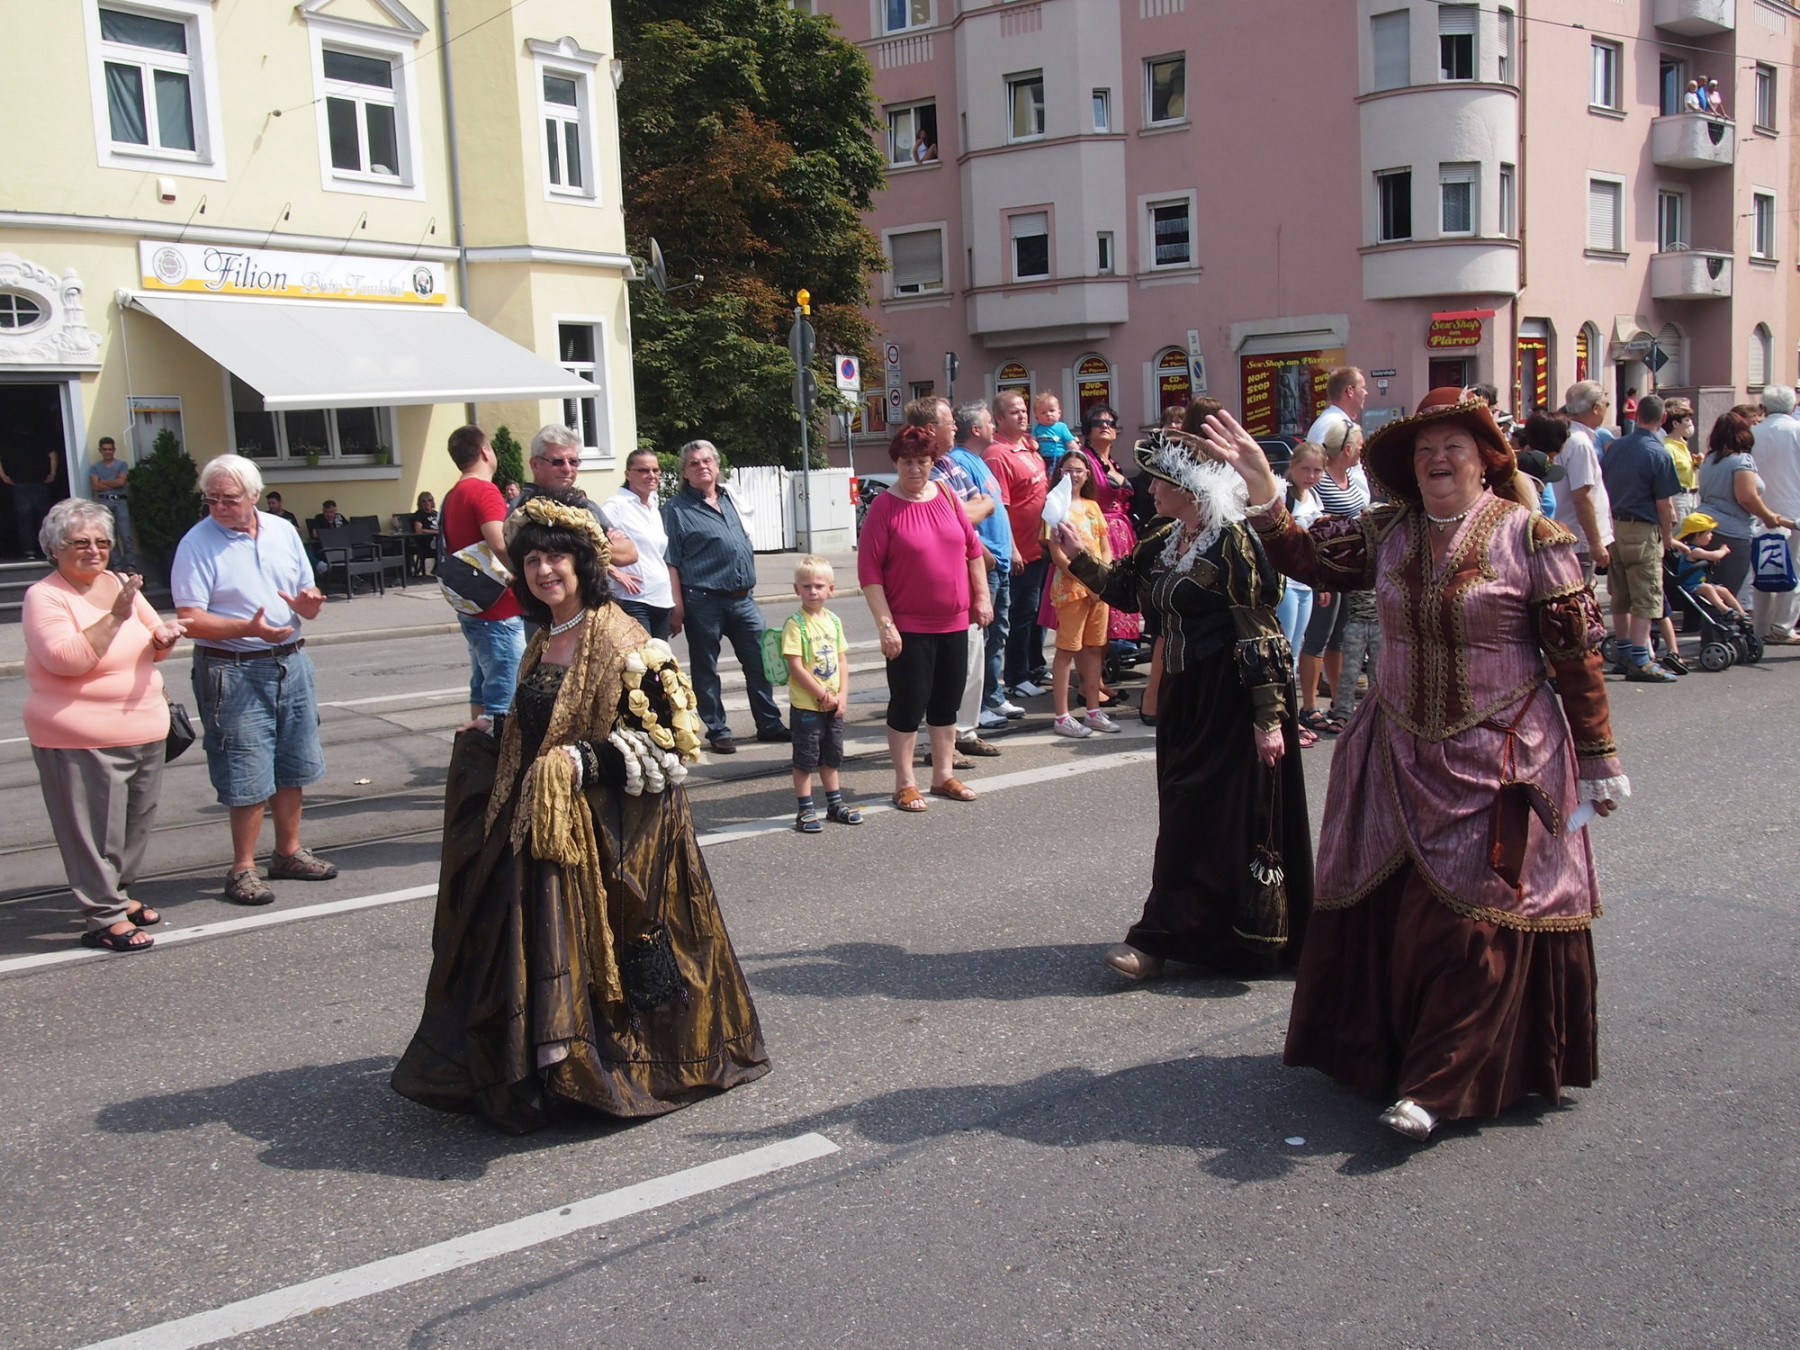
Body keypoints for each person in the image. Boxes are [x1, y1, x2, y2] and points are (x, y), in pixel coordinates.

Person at [1203, 388, 1627, 1141]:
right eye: (1425, 448)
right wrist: (1266, 491)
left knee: (1474, 920)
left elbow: (1577, 658)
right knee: (1393, 907)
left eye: (1454, 446)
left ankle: (1441, 1082)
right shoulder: (1388, 530)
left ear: (1485, 459)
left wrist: (1596, 754)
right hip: (1394, 749)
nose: (1438, 458)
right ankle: (1385, 1056)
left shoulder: (1533, 539)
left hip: (1501, 756)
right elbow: (1308, 558)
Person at [391, 489, 770, 1133]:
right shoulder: (546, 636)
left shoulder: (628, 639)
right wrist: (497, 727)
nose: (544, 570)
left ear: (582, 564)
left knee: (621, 953)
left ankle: (601, 1060)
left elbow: (673, 744)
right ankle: (547, 1062)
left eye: (556, 558)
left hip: (615, 833)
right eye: (532, 559)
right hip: (548, 823)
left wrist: (582, 764)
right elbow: (547, 715)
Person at [1053, 431, 1311, 981]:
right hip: (1184, 692)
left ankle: (1164, 937)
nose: (1149, 491)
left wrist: (1269, 721)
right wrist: (1078, 557)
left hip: (1233, 694)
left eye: (1159, 483)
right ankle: (1191, 929)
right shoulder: (1166, 537)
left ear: (1187, 489)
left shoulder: (1234, 543)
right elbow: (1127, 590)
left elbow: (1259, 632)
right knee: (1185, 808)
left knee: (1219, 814)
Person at [172, 454, 335, 906]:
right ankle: (242, 867)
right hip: (233, 666)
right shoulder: (197, 543)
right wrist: (248, 628)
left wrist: (310, 603)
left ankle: (287, 852)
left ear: (254, 496)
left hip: (290, 660)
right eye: (212, 499)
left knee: (293, 760)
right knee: (245, 767)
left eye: (229, 498)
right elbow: (189, 619)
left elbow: (308, 603)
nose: (220, 507)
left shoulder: (282, 530)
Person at [23, 499, 184, 951]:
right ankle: (103, 916)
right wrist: (116, 614)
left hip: (144, 726)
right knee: (92, 832)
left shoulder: (117, 582)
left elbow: (152, 641)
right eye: (81, 542)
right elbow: (66, 659)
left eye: (102, 542)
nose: (94, 551)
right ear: (55, 548)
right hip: (78, 735)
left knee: (134, 825)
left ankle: (118, 894)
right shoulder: (45, 596)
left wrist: (165, 636)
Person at [858, 424, 992, 813]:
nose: (915, 469)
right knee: (908, 704)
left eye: (922, 461)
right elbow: (870, 572)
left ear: (933, 462)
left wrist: (981, 597)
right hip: (909, 626)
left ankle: (943, 775)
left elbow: (972, 549)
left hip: (954, 621)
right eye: (907, 462)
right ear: (896, 463)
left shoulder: (947, 494)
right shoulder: (885, 506)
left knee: (946, 702)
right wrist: (886, 625)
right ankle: (905, 783)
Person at [662, 439, 789, 754]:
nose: (702, 466)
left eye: (707, 461)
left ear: (717, 466)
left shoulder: (731, 498)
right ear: (685, 473)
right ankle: (718, 730)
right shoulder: (676, 509)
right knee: (706, 669)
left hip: (743, 597)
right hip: (704, 600)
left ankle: (769, 724)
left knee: (760, 662)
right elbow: (671, 561)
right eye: (694, 463)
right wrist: (677, 605)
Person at [910, 396, 1001, 760]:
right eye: (949, 423)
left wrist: (966, 513)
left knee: (973, 657)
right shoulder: (926, 469)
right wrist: (967, 514)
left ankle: (964, 731)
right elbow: (949, 515)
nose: (955, 428)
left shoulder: (953, 465)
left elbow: (987, 501)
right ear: (931, 429)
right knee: (947, 667)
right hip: (946, 579)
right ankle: (940, 745)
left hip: (971, 574)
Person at [514, 425, 639, 635]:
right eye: (557, 461)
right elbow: (518, 559)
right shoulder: (524, 509)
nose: (567, 468)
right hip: (547, 617)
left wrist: (579, 541)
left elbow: (629, 553)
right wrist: (597, 539)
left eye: (573, 461)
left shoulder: (583, 504)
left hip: (593, 609)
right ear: (535, 464)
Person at [441, 425, 526, 728]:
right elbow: (499, 543)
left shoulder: (453, 494)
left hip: (472, 603)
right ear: (485, 451)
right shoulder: (484, 490)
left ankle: (475, 751)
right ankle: (494, 759)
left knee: (481, 684)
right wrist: (524, 575)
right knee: (503, 696)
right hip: (498, 607)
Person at [1297, 402, 1372, 735]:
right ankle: (1308, 704)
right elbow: (1315, 530)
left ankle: (1340, 703)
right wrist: (1321, 577)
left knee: (1338, 637)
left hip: (1348, 568)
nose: (1313, 475)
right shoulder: (1321, 484)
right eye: (1359, 444)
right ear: (1348, 447)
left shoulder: (1348, 478)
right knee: (1316, 637)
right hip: (1323, 569)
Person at [952, 401, 1024, 733]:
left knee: (998, 635)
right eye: (989, 422)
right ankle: (977, 707)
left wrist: (1011, 548)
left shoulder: (981, 463)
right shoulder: (957, 463)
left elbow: (998, 512)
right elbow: (960, 520)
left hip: (1001, 561)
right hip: (986, 563)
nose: (994, 427)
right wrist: (986, 555)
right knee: (979, 641)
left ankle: (993, 695)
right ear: (976, 429)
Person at [1600, 394, 1681, 681]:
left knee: (1620, 593)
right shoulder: (1658, 453)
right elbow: (1663, 504)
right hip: (1643, 528)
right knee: (1646, 596)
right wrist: (1668, 537)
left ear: (1636, 416)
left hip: (1614, 526)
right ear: (1662, 420)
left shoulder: (1614, 447)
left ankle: (1622, 651)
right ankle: (1640, 657)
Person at [781, 556, 860, 832]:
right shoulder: (796, 624)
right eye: (806, 586)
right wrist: (821, 693)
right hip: (807, 706)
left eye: (818, 586)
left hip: (833, 704)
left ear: (831, 589)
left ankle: (835, 804)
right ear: (796, 590)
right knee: (805, 759)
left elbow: (842, 662)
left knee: (831, 756)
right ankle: (805, 810)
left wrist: (843, 697)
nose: (813, 591)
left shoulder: (833, 621)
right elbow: (795, 665)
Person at [1042, 452, 1116, 738]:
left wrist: (1103, 578)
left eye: (1079, 470)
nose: (1074, 475)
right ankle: (1061, 715)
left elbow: (1104, 545)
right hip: (1071, 589)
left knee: (1095, 647)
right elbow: (1058, 555)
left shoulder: (1093, 507)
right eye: (1068, 470)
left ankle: (1094, 710)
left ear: (1088, 474)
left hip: (1098, 590)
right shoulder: (1054, 507)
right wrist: (1087, 582)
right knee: (1067, 650)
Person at [984, 390, 1051, 698]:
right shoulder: (997, 455)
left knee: (1034, 613)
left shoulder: (1028, 447)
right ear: (999, 419)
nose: (1022, 415)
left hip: (1039, 547)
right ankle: (1015, 677)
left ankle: (1032, 667)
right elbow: (1002, 507)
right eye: (1014, 412)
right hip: (1019, 551)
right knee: (1016, 617)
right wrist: (1012, 549)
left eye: (1024, 410)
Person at [1698, 410, 1793, 603]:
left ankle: (1712, 632)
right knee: (1728, 593)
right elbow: (1746, 497)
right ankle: (1723, 633)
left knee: (1712, 593)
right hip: (1733, 531)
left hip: (1706, 526)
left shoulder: (1710, 459)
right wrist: (1768, 516)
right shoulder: (1741, 460)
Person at [1075, 404, 1142, 656]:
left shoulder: (1112, 462)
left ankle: (1114, 657)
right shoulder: (1083, 460)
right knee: (1103, 594)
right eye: (1098, 423)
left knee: (1122, 588)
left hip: (1123, 534)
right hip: (1098, 533)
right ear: (1087, 431)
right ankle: (1098, 669)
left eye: (1110, 423)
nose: (1105, 426)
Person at [602, 447, 676, 638]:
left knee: (661, 663)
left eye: (655, 470)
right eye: (643, 470)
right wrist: (616, 572)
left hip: (661, 599)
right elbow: (589, 543)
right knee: (641, 662)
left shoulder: (652, 506)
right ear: (628, 474)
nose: (651, 475)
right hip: (634, 600)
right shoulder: (617, 505)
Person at [1750, 385, 1800, 643]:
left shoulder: (1753, 432)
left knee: (1762, 567)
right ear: (1793, 406)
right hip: (1793, 510)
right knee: (1793, 568)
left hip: (1759, 509)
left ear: (1764, 408)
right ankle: (1782, 626)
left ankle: (1761, 626)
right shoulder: (1797, 431)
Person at [1553, 381, 1615, 585]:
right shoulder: (1580, 443)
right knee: (1579, 601)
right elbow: (1582, 496)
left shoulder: (1568, 436)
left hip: (1570, 535)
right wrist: (1596, 543)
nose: (1607, 408)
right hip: (1579, 540)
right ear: (1595, 408)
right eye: (1606, 404)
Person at [1672, 513, 1748, 616]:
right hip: (1690, 585)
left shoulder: (1696, 550)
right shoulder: (1693, 551)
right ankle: (1724, 610)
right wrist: (1724, 550)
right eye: (1708, 533)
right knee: (1708, 589)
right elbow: (1714, 556)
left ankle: (1742, 614)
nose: (1711, 535)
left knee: (1723, 590)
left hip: (1699, 583)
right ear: (1698, 535)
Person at [2, 428, 60, 559]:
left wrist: (4, 476)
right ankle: (46, 549)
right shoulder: (41, 441)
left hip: (19, 484)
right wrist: (52, 473)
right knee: (44, 518)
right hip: (40, 482)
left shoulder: (10, 443)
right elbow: (53, 455)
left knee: (24, 520)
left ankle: (29, 551)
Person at [87, 437, 137, 571]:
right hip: (104, 502)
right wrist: (112, 482)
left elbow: (121, 482)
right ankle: (116, 566)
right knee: (110, 536)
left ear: (114, 450)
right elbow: (95, 486)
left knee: (125, 535)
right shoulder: (95, 467)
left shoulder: (121, 464)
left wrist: (103, 481)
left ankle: (130, 566)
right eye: (105, 449)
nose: (108, 452)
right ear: (100, 450)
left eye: (110, 449)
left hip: (120, 501)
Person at [1662, 398, 1699, 521]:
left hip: (1692, 497)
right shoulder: (1668, 447)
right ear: (1675, 424)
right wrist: (1670, 507)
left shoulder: (1682, 444)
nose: (1690, 424)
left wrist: (1696, 464)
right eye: (1687, 420)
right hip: (1679, 498)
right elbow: (1665, 480)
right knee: (1680, 535)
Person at [1032, 392, 1078, 468]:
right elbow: (1033, 440)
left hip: (1060, 457)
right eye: (1043, 413)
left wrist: (1075, 453)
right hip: (1042, 458)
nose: (1048, 414)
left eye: (1052, 411)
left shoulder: (1061, 427)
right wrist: (1034, 444)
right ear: (1037, 418)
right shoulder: (1037, 428)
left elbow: (1070, 442)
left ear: (1059, 413)